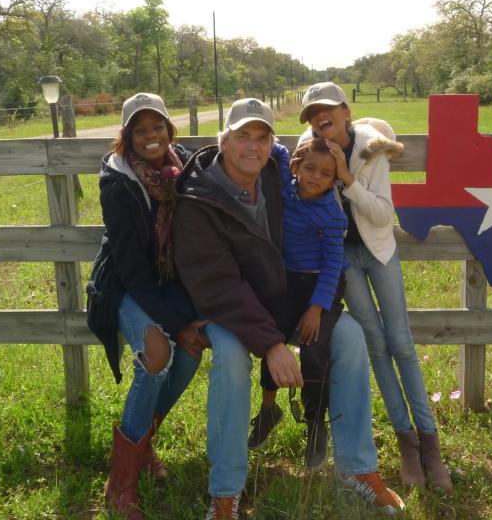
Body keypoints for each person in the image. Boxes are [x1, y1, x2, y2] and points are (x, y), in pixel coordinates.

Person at [173, 98, 405, 520]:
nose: (253, 147)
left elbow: (325, 146)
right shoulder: (199, 199)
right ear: (223, 140)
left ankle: (357, 468)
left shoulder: (280, 176)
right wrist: (273, 344)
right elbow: (219, 285)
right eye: (243, 136)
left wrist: (365, 133)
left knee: (351, 337)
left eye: (262, 138)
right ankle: (225, 491)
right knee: (229, 355)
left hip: (291, 301)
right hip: (233, 309)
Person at [297, 82, 454, 492]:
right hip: (341, 258)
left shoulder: (373, 148)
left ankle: (430, 442)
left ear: (346, 111)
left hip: (379, 251)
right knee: (375, 345)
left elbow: (383, 216)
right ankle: (406, 441)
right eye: (312, 113)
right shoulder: (309, 150)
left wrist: (348, 178)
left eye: (327, 109)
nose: (319, 117)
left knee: (401, 341)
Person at [86, 93, 210, 520]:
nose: (151, 136)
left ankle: (140, 447)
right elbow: (132, 270)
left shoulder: (187, 168)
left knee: (192, 351)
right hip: (124, 284)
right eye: (141, 130)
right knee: (158, 353)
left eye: (157, 126)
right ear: (128, 137)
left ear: (169, 130)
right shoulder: (118, 181)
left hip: (171, 281)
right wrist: (177, 322)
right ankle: (120, 486)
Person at [247, 137, 347, 471]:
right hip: (288, 280)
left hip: (322, 285)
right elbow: (273, 147)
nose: (315, 177)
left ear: (334, 180)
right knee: (270, 334)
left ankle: (316, 425)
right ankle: (268, 408)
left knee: (315, 348)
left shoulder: (331, 213)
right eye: (310, 168)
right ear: (296, 167)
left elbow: (334, 264)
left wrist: (317, 308)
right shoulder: (286, 191)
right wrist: (259, 135)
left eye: (325, 173)